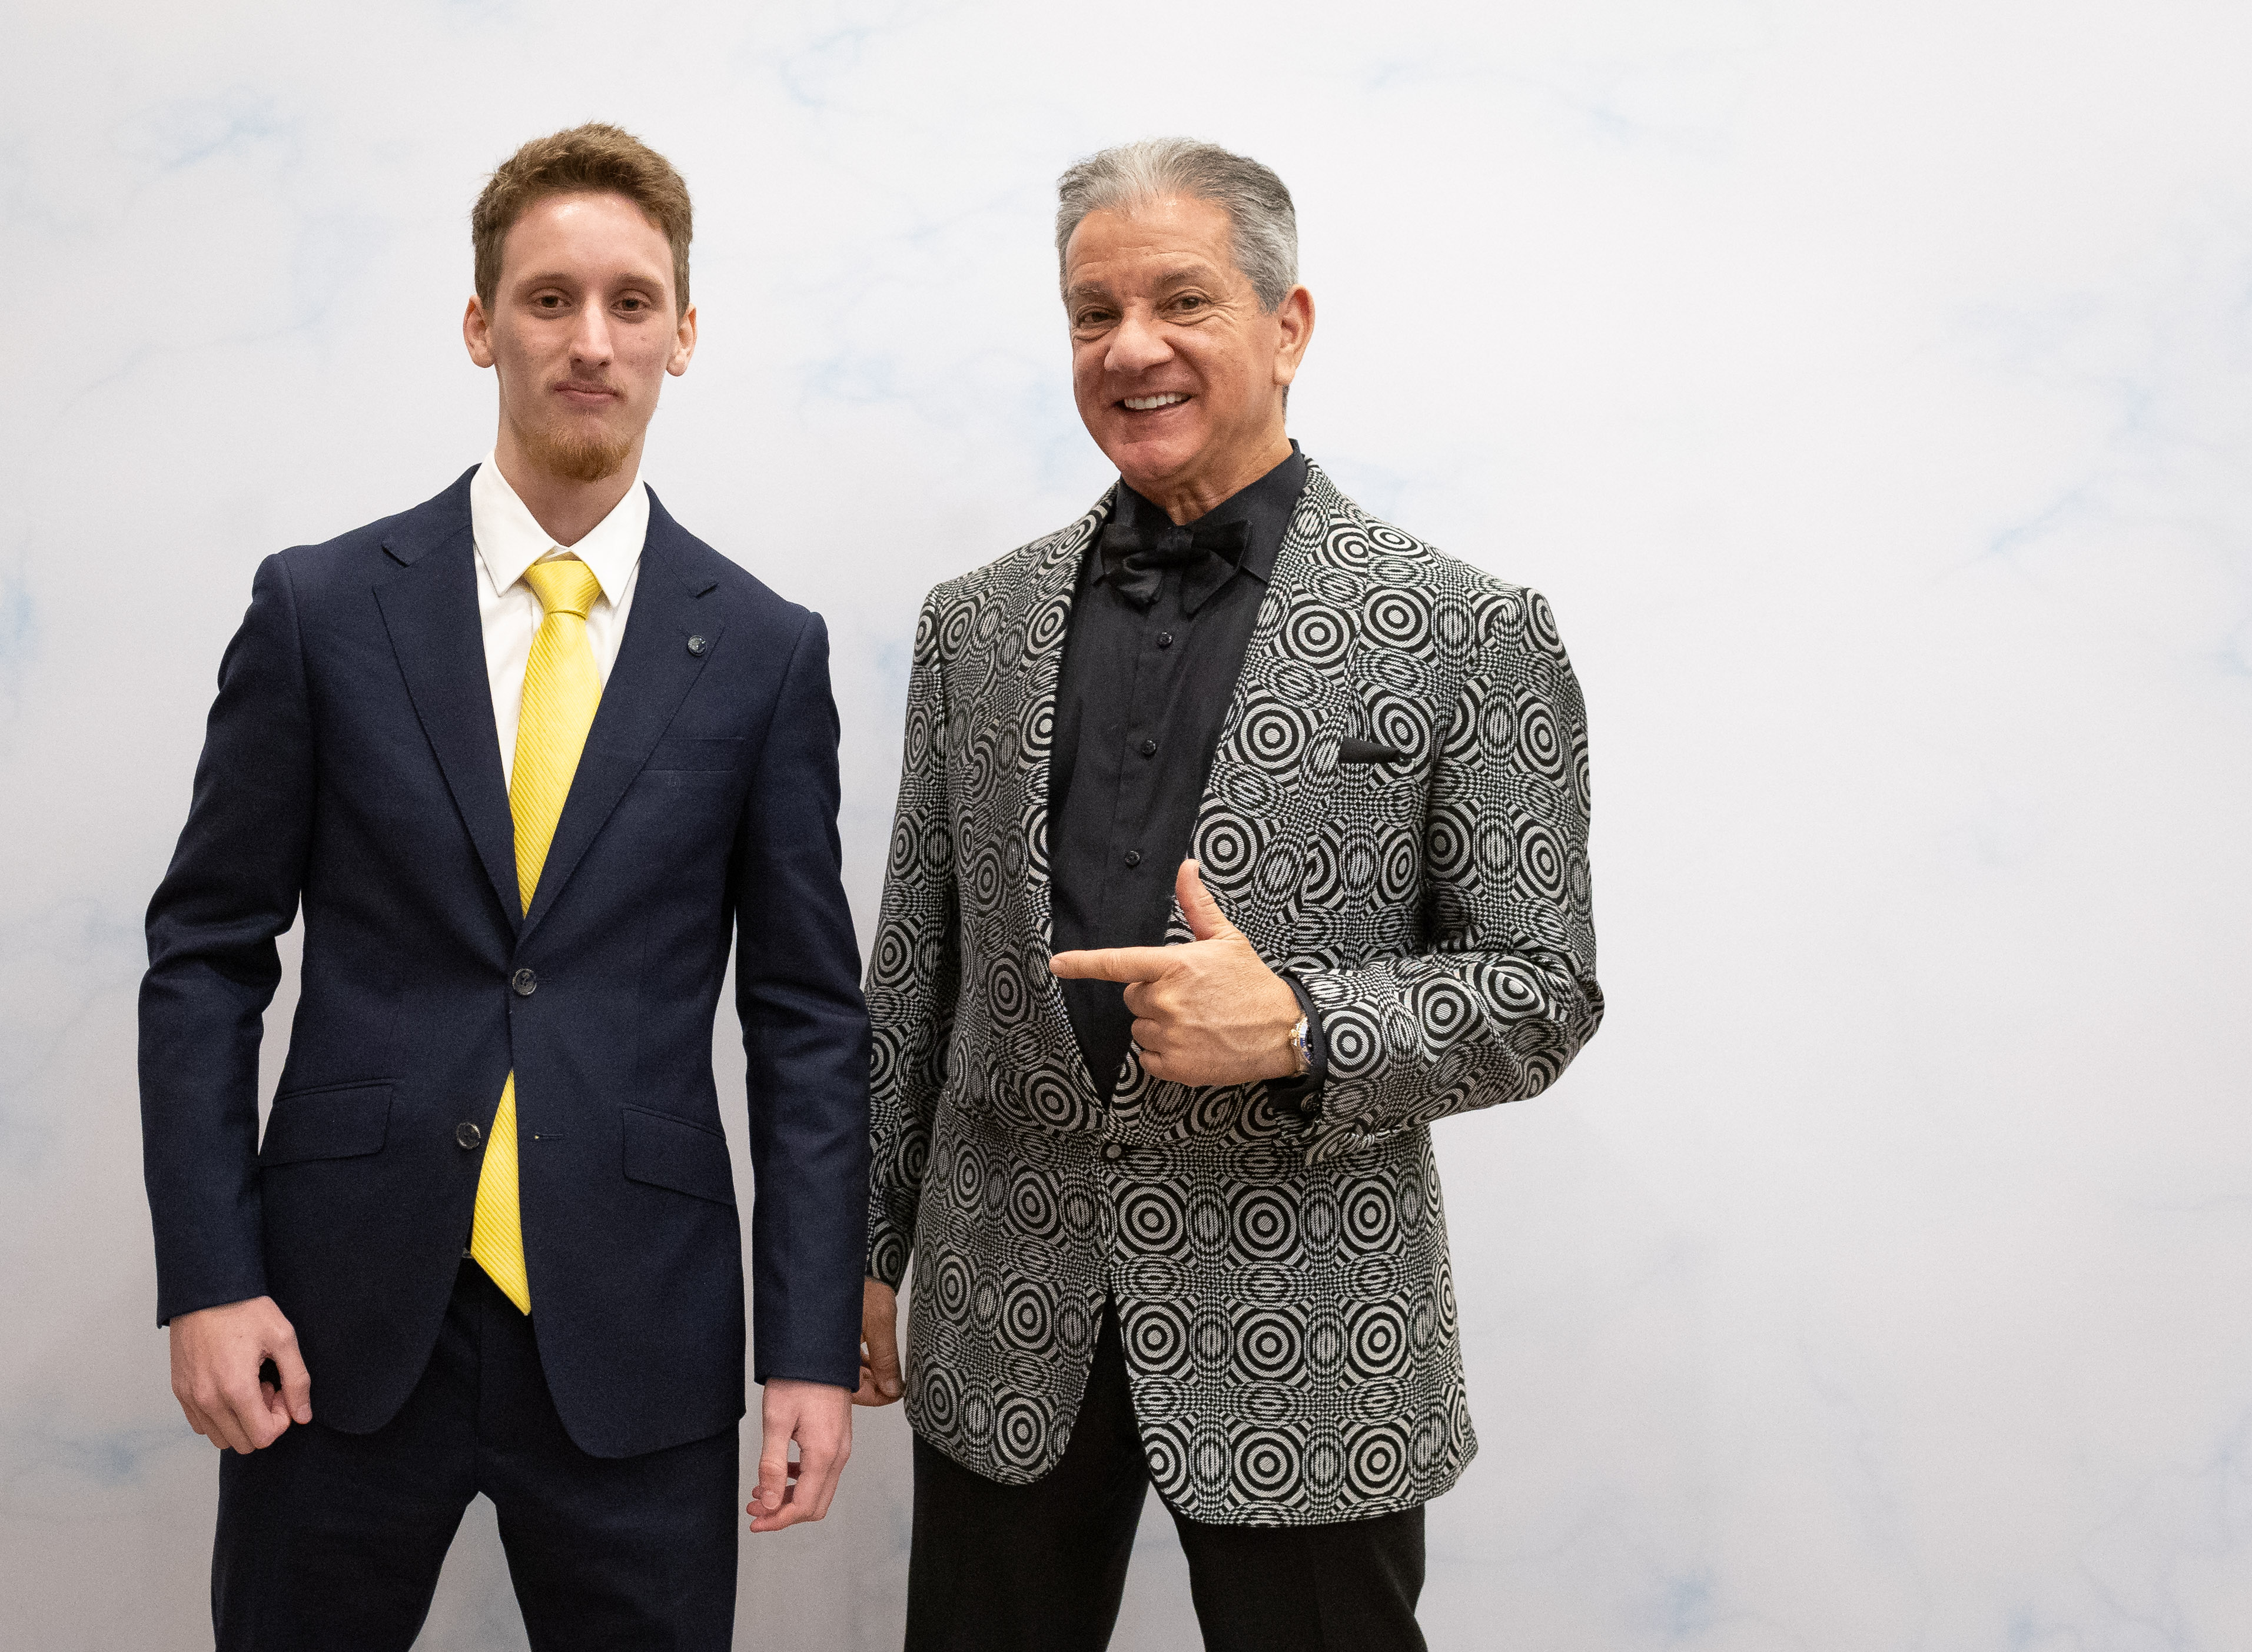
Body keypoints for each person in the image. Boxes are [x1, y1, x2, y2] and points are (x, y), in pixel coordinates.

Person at [856, 137, 1603, 1651]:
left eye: (1180, 300)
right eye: (1091, 313)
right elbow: (912, 971)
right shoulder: (972, 625)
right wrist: (861, 1250)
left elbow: (1542, 987)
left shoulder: (1466, 628)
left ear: (1287, 324)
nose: (1129, 347)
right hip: (1003, 1309)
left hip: (1312, 1331)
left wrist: (1303, 1025)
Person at [139, 122, 869, 1651]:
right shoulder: (321, 610)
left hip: (640, 1332)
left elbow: (807, 1022)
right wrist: (207, 1276)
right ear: (481, 325)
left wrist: (804, 1346)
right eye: (549, 299)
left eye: (629, 301)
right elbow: (206, 954)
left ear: (682, 333)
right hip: (329, 1325)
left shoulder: (761, 652)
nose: (589, 340)